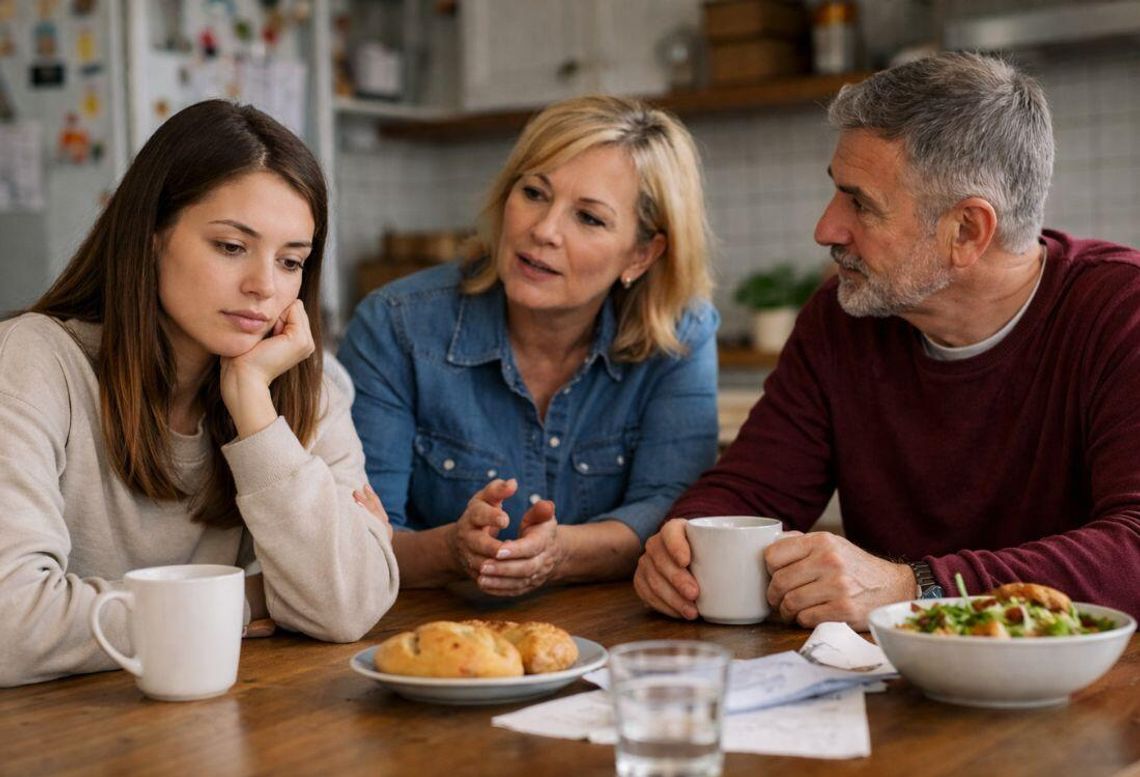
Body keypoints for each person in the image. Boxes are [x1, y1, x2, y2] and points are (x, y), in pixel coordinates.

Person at [634, 52, 1140, 629]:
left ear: (966, 231)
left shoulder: (1122, 313)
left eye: (860, 204)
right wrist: (684, 543)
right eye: (836, 192)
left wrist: (918, 587)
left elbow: (1134, 550)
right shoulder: (840, 319)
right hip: (891, 691)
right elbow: (752, 489)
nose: (825, 229)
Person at [0, 100, 398, 687]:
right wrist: (249, 601)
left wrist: (254, 408)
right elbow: (12, 626)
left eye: (291, 261)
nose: (264, 286)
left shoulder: (301, 379)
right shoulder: (31, 360)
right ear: (153, 235)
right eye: (231, 247)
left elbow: (350, 605)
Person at [338, 95, 718, 596]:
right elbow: (355, 542)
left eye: (589, 218)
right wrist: (454, 549)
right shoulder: (395, 327)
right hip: (430, 639)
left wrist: (560, 554)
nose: (543, 230)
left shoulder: (680, 336)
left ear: (642, 254)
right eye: (535, 193)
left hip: (617, 635)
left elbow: (671, 507)